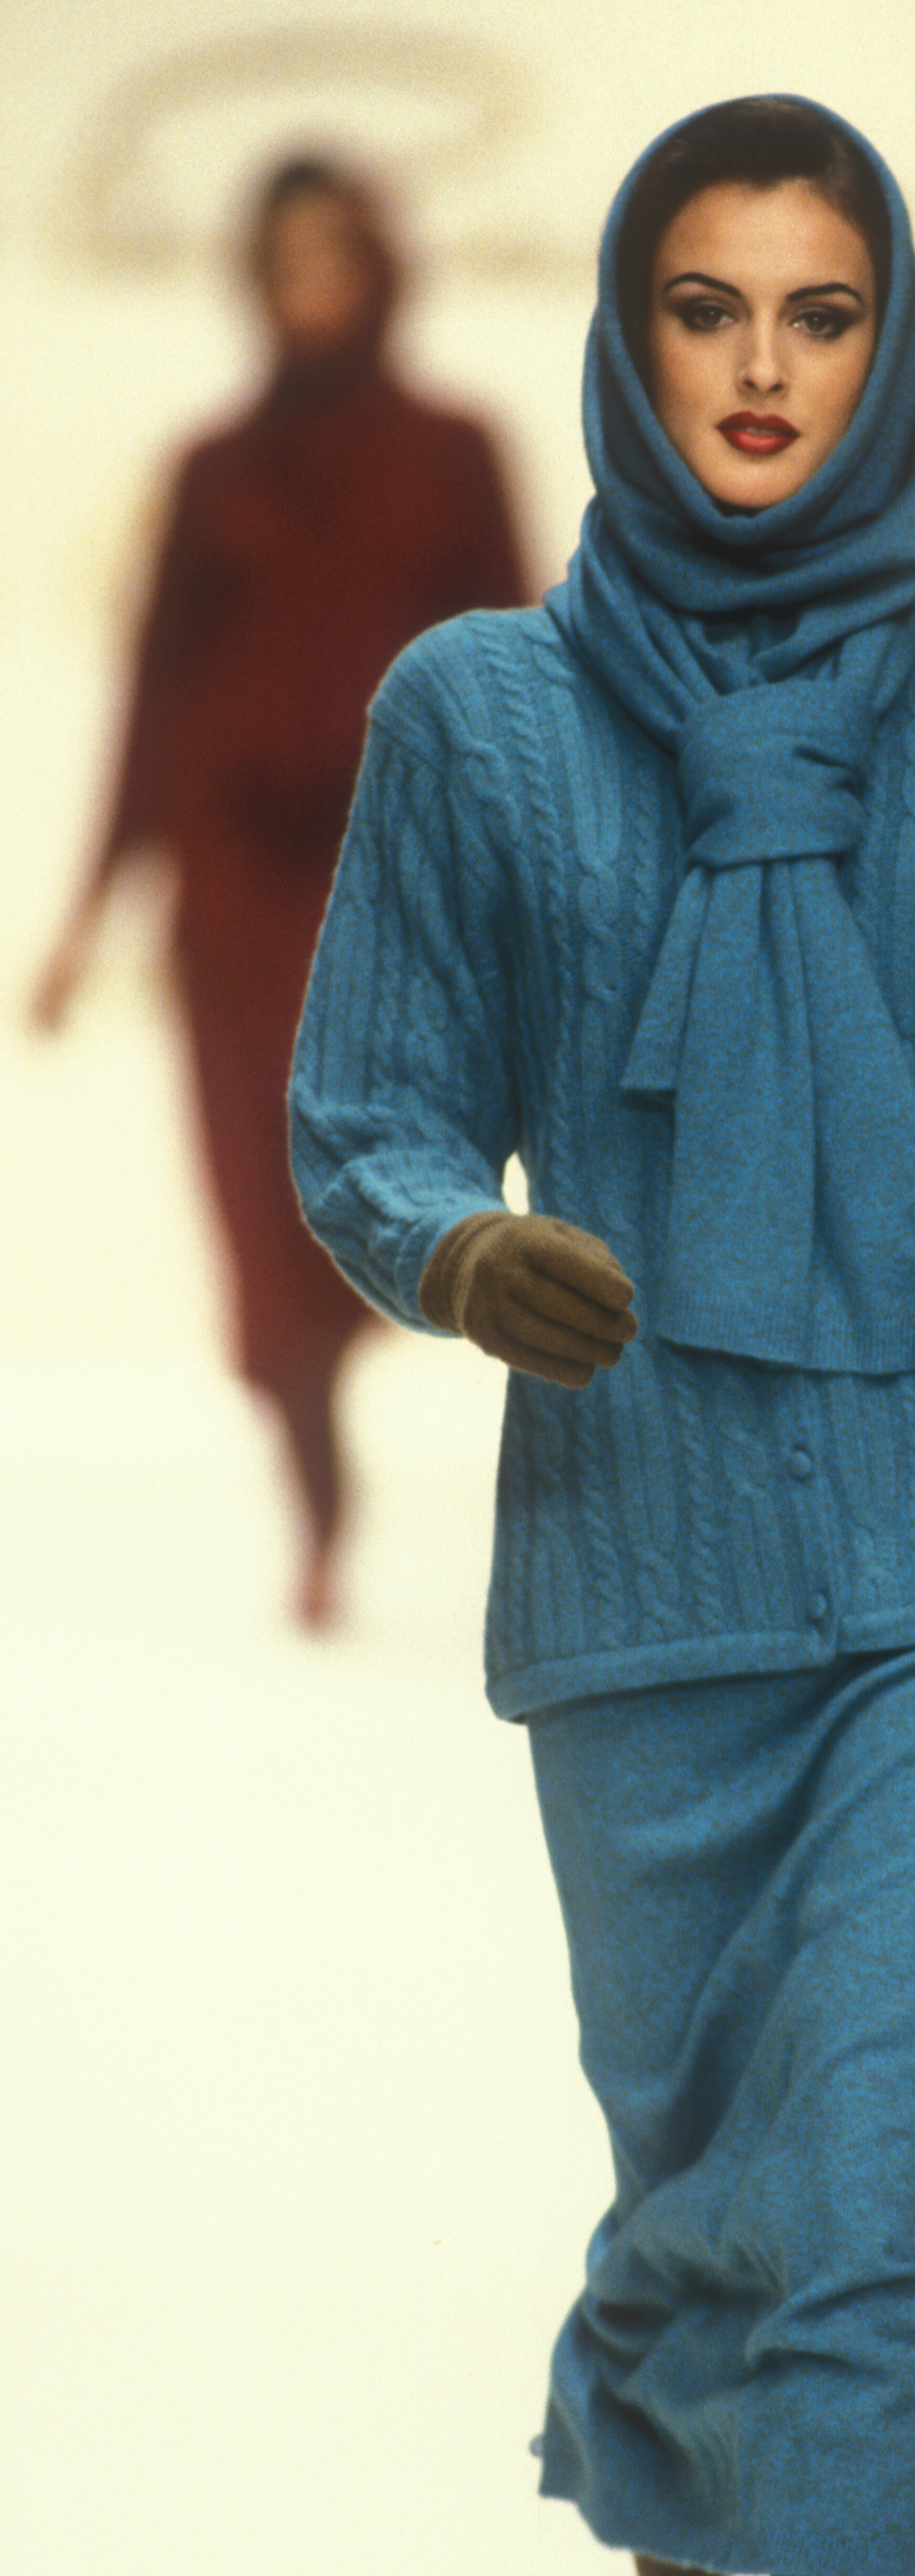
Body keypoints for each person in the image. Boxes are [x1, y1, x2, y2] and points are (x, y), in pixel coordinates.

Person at [289, 98, 915, 2576]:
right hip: (648, 1542)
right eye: (706, 306)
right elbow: (367, 1110)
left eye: (821, 311)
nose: (763, 365)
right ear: (625, 335)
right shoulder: (476, 711)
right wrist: (460, 1249)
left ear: (892, 345)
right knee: (698, 2195)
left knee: (872, 2201)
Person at [29, 153, 526, 1625]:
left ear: (380, 268)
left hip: (389, 878)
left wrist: (546, 868)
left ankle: (449, 1460)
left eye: (337, 254)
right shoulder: (212, 470)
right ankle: (318, 1508)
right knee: (261, 1210)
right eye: (287, 259)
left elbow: (516, 671)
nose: (313, 286)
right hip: (236, 895)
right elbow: (156, 698)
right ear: (257, 281)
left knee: (376, 1181)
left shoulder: (451, 452)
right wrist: (85, 915)